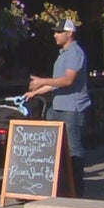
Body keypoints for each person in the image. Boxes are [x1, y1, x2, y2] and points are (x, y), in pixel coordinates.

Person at [26, 18, 90, 196]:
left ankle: (77, 190)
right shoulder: (63, 54)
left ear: (70, 33)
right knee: (54, 149)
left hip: (72, 109)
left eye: (59, 32)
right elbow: (57, 83)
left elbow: (68, 80)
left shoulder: (75, 53)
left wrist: (41, 81)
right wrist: (36, 92)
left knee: (73, 149)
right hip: (57, 106)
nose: (55, 35)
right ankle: (62, 187)